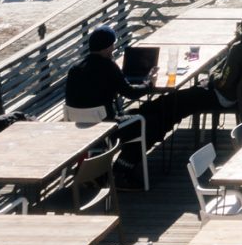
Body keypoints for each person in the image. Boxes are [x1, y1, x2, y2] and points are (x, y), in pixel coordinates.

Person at [65, 26, 220, 154]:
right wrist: (149, 84)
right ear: (107, 48)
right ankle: (125, 165)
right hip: (107, 125)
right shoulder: (108, 67)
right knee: (151, 122)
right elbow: (130, 93)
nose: (114, 48)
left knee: (139, 113)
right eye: (112, 45)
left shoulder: (75, 68)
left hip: (78, 123)